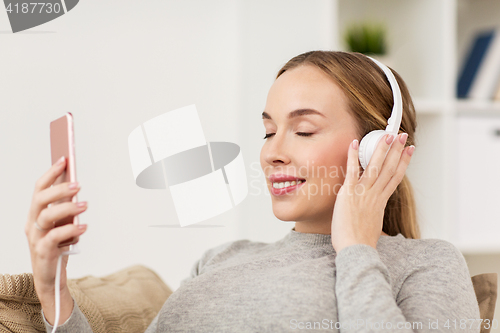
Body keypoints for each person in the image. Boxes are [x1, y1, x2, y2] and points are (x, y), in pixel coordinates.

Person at [26, 51, 480, 332]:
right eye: (267, 132)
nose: (271, 154)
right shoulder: (222, 258)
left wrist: (356, 250)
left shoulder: (426, 263)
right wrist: (52, 287)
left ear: (377, 149)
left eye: (303, 130)